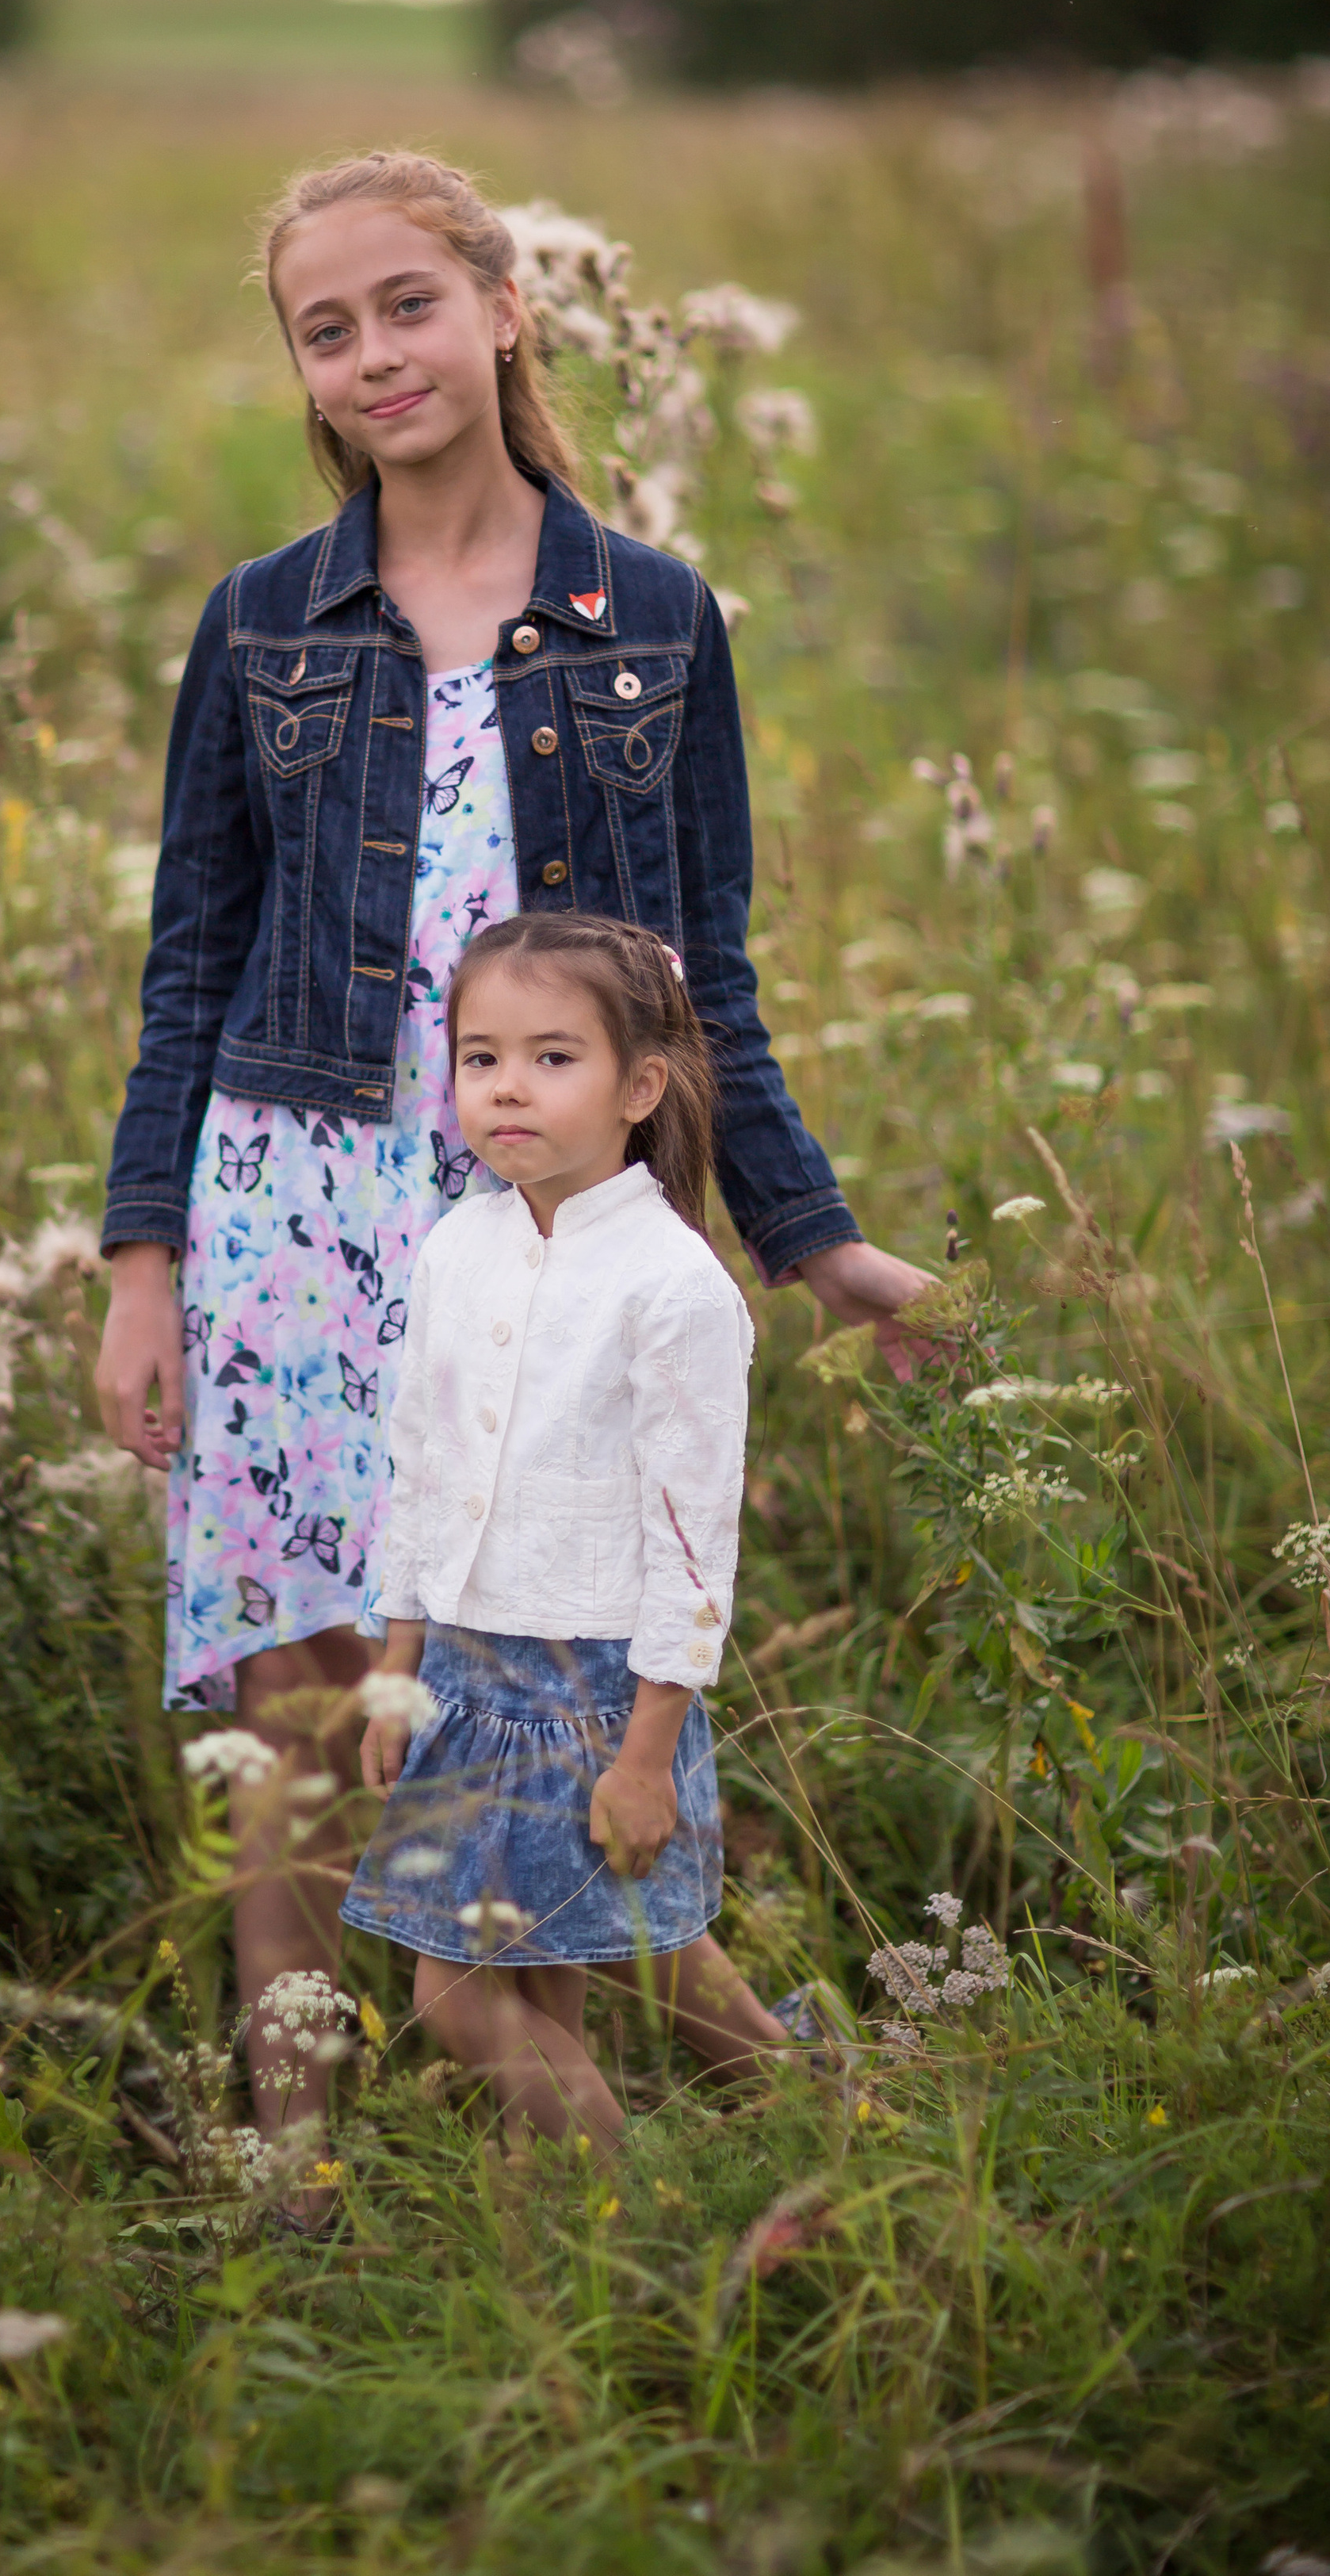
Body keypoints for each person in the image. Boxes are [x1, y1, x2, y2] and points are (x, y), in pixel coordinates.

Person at [97, 149, 926, 2167]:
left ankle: (764, 2078)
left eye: (406, 306)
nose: (372, 354)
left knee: (530, 1687)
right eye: (326, 327)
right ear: (299, 369)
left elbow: (692, 974)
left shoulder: (649, 621)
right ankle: (289, 2163)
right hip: (287, 1207)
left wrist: (812, 1247)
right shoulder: (263, 624)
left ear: (498, 311)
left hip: (533, 1232)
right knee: (298, 1703)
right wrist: (140, 1266)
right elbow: (189, 953)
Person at [344, 911, 781, 2145]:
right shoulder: (456, 1247)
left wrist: (647, 1756)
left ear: (641, 1085)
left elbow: (697, 1545)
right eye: (480, 1058)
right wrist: (395, 1663)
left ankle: (638, 2228)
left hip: (598, 1695)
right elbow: (421, 1468)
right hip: (466, 1679)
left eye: (552, 1057)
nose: (508, 1089)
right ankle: (584, 2250)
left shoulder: (671, 1282)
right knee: (547, 1985)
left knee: (471, 1992)